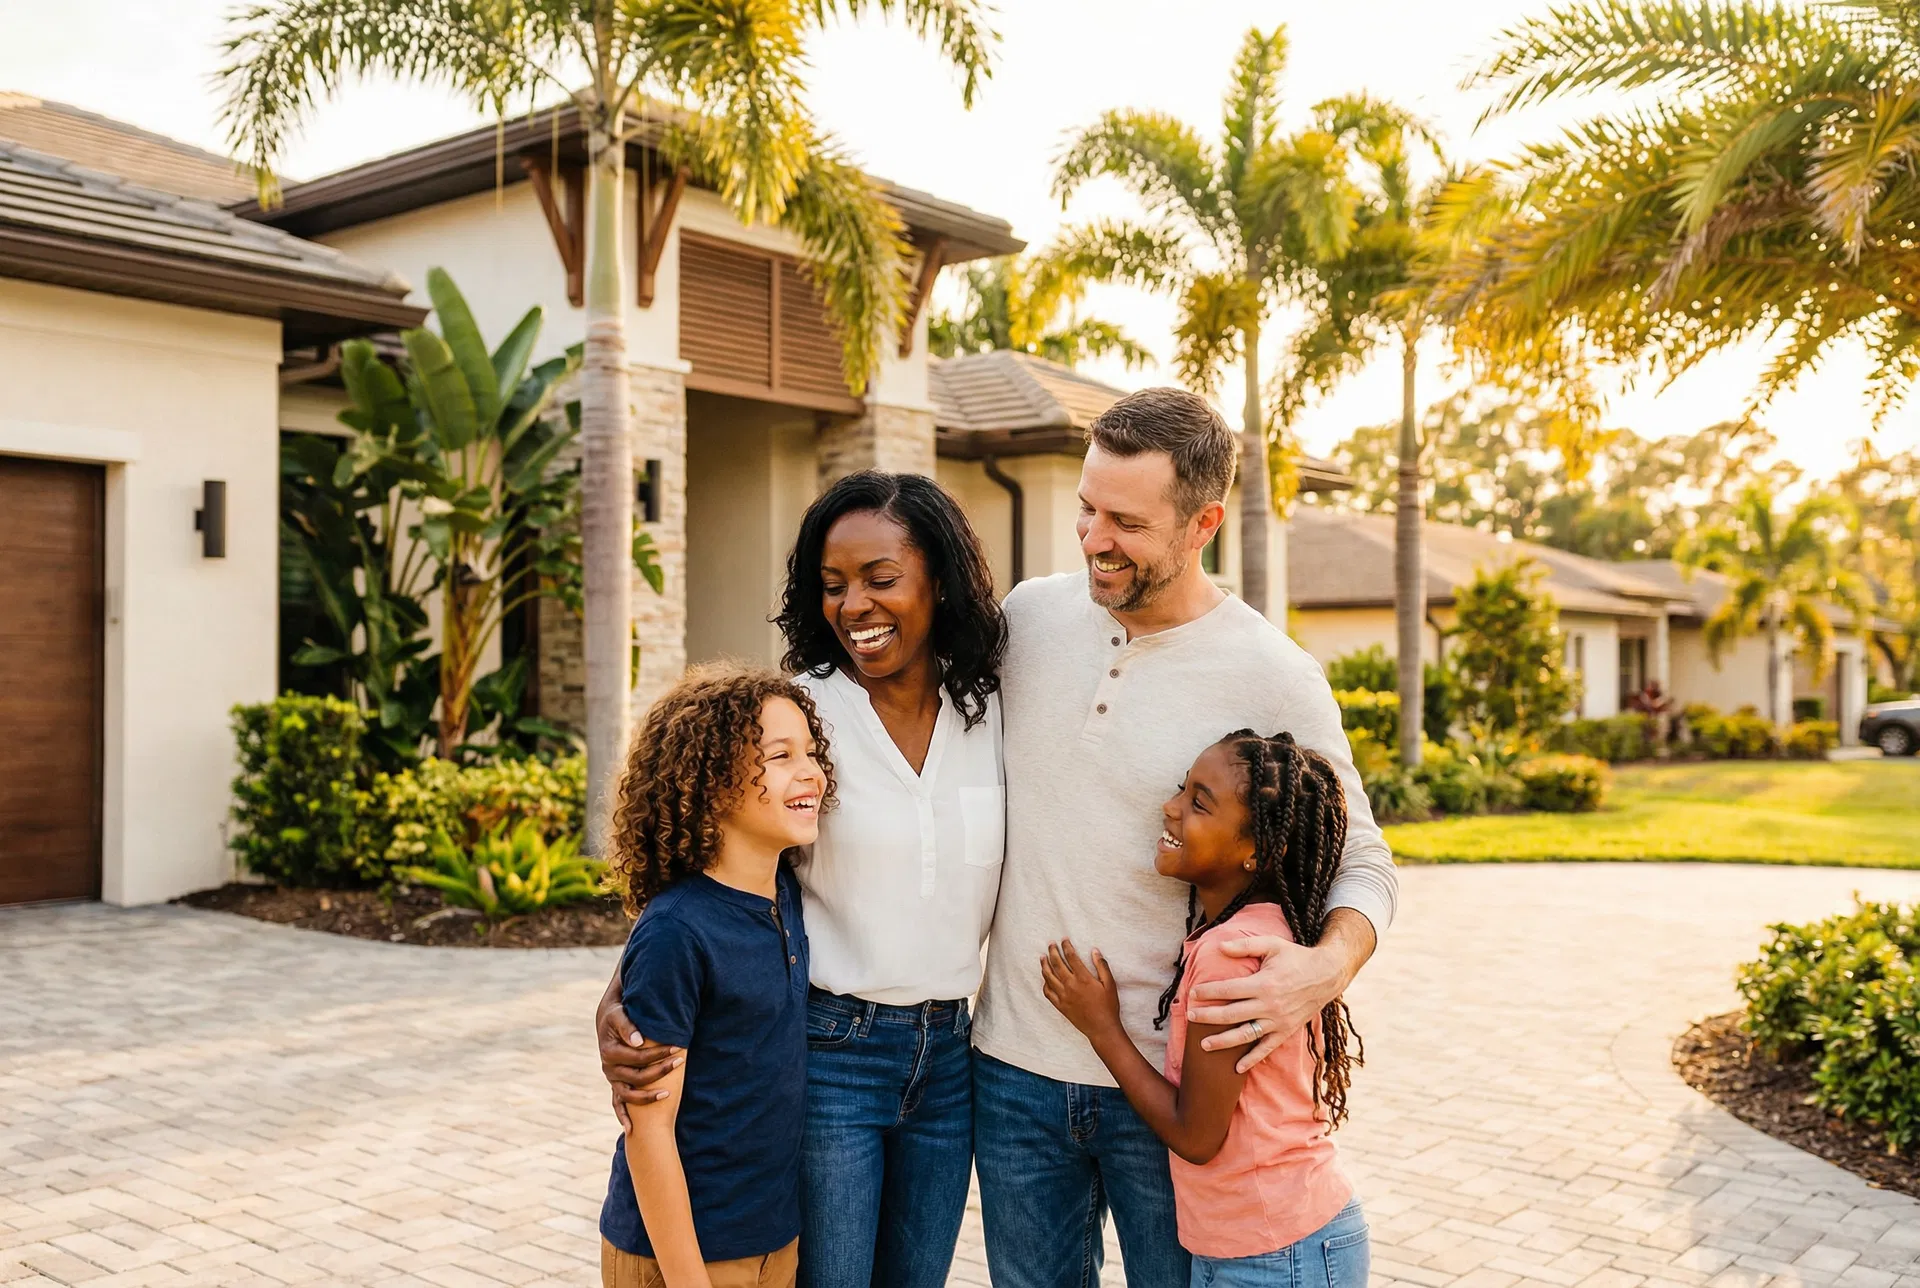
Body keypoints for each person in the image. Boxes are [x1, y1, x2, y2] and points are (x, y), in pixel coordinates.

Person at [969, 386, 1396, 1288]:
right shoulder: (1030, 618)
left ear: (1203, 523)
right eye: (1087, 508)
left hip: (1166, 1094)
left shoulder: (1272, 673)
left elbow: (1361, 852)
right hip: (1012, 1071)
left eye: (1125, 520)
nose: (1093, 537)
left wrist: (1328, 966)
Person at [597, 473, 1008, 1288]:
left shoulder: (993, 708)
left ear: (941, 579)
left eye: (880, 580)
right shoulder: (799, 714)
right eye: (832, 586)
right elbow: (700, 879)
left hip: (953, 1054)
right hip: (831, 1052)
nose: (854, 605)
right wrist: (620, 998)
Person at [1040, 729, 1369, 1288]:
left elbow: (1197, 1136)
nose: (1169, 808)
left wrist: (1102, 1029)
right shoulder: (1256, 931)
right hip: (1279, 1239)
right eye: (1181, 789)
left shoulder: (1230, 955)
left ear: (1257, 851)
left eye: (1198, 803)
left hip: (1275, 1254)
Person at [597, 666, 834, 1288]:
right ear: (710, 782)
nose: (811, 772)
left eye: (810, 752)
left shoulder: (783, 890)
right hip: (680, 1255)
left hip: (772, 1243)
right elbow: (648, 1131)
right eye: (780, 757)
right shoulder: (679, 929)